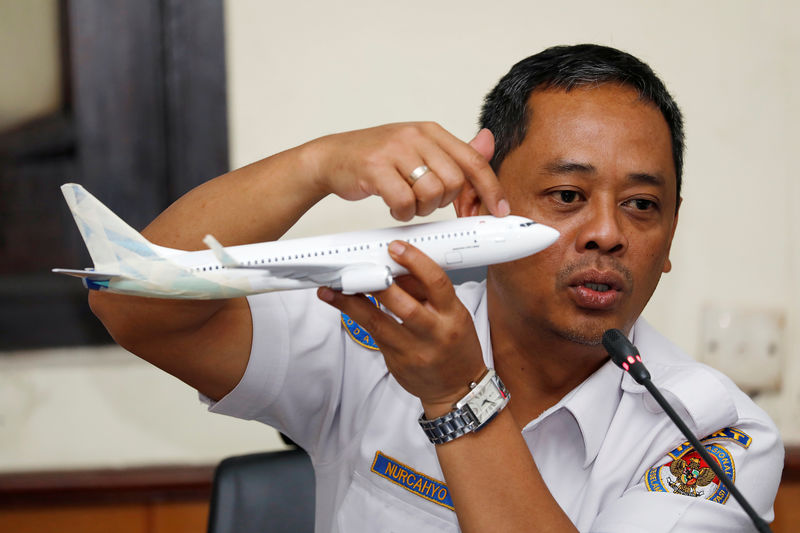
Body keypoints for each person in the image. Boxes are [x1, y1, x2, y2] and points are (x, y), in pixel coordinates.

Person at [90, 44, 783, 532]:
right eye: (568, 194)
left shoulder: (714, 435)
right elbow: (129, 302)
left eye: (641, 205)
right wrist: (316, 164)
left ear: (669, 242)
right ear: (479, 207)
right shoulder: (380, 328)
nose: (607, 233)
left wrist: (458, 397)